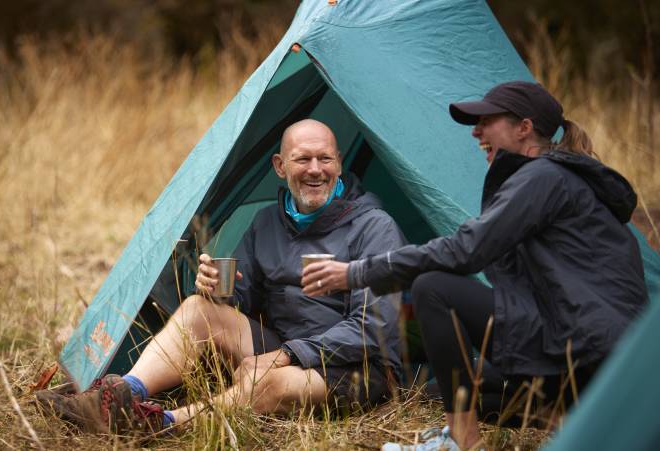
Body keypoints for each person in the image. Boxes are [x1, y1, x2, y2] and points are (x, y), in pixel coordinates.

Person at [302, 81, 648, 450]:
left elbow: (466, 250)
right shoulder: (557, 178)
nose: (476, 131)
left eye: (486, 121)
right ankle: (571, 422)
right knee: (447, 389)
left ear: (524, 128)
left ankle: (463, 441)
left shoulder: (543, 177)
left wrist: (355, 272)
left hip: (587, 354)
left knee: (434, 288)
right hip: (597, 358)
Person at [36, 119, 406, 436]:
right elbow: (244, 297)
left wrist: (286, 356)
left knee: (267, 381)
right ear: (280, 166)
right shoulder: (267, 224)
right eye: (302, 159)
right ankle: (119, 394)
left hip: (356, 368)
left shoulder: (374, 228)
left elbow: (372, 328)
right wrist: (217, 289)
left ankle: (156, 423)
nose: (315, 169)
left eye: (325, 158)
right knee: (198, 309)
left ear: (339, 164)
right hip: (285, 344)